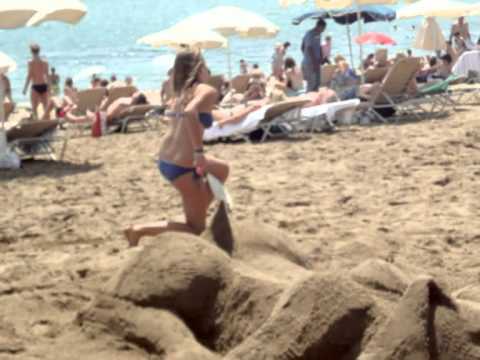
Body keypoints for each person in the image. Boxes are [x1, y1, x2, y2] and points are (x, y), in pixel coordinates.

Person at [123, 50, 229, 247]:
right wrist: (199, 153)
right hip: (185, 164)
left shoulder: (180, 93)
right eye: (206, 66)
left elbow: (176, 118)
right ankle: (138, 230)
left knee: (222, 169)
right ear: (199, 68)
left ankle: (198, 206)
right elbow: (190, 113)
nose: (208, 71)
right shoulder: (206, 90)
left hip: (166, 159)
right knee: (196, 229)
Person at [65, 92, 149, 125]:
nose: (134, 93)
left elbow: (109, 117)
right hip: (108, 117)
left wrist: (97, 115)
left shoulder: (125, 105)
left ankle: (72, 119)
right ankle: (72, 117)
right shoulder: (135, 106)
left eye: (136, 94)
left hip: (106, 119)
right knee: (89, 115)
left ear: (137, 99)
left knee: (86, 116)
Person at [23, 43, 50, 120]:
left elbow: (29, 76)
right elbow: (47, 76)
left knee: (34, 109)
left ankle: (37, 121)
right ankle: (47, 122)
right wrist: (50, 88)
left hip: (35, 86)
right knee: (46, 108)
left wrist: (25, 88)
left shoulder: (30, 62)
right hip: (44, 85)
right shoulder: (45, 62)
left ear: (31, 52)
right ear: (39, 51)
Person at [301, 19, 326, 92]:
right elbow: (308, 48)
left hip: (316, 62)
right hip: (310, 63)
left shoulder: (318, 34)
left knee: (317, 83)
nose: (323, 31)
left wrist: (321, 57)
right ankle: (309, 100)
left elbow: (319, 46)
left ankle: (315, 99)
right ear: (319, 26)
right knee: (311, 83)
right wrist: (311, 60)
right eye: (323, 29)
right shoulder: (310, 34)